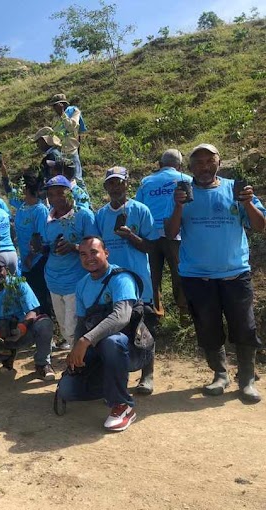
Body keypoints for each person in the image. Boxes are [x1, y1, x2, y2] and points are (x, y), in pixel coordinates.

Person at [166, 143, 265, 403]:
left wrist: (248, 203)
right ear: (189, 168)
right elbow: (170, 232)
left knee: (244, 327)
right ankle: (220, 374)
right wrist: (178, 206)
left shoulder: (235, 189)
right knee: (207, 327)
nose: (204, 167)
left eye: (210, 161)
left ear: (219, 163)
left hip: (235, 273)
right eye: (198, 163)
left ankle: (247, 379)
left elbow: (260, 225)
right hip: (197, 276)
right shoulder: (182, 194)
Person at [56, 237, 153, 432]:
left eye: (94, 252)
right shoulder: (82, 284)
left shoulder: (122, 278)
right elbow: (82, 324)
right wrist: (76, 352)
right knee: (68, 390)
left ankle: (122, 406)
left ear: (106, 253)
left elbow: (121, 317)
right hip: (100, 350)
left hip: (133, 350)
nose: (89, 258)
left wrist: (85, 341)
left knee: (112, 341)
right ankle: (110, 385)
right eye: (83, 254)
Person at [95, 166, 157, 393]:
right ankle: (117, 375)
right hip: (112, 283)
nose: (115, 187)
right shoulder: (100, 215)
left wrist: (130, 236)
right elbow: (97, 248)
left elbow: (152, 246)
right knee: (115, 331)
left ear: (127, 184)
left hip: (139, 281)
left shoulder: (141, 210)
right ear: (105, 187)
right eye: (111, 183)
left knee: (144, 329)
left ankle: (147, 375)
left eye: (119, 182)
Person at [38, 175, 98, 350]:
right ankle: (78, 359)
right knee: (64, 329)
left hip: (76, 282)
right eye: (51, 194)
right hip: (54, 281)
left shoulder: (83, 215)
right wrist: (41, 247)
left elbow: (95, 247)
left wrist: (74, 247)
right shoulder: (47, 218)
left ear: (70, 193)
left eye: (59, 193)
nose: (55, 198)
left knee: (73, 329)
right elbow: (48, 246)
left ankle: (80, 364)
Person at [0, 255, 54, 377]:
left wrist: (22, 328)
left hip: (22, 330)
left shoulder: (19, 284)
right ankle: (7, 355)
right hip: (0, 330)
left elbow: (33, 310)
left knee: (44, 323)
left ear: (6, 270)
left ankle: (43, 364)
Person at [135, 149, 191, 317]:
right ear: (179, 166)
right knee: (180, 272)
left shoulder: (146, 182)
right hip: (176, 234)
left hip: (150, 235)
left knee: (153, 275)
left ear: (159, 165)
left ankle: (156, 312)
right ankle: (184, 312)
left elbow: (138, 207)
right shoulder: (187, 180)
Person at [0, 170, 53, 317]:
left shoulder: (40, 210)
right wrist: (4, 171)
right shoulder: (22, 205)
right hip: (25, 262)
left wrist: (31, 256)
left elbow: (41, 237)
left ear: (27, 189)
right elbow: (9, 192)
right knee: (31, 300)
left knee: (40, 298)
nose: (17, 190)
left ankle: (48, 330)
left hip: (37, 261)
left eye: (20, 187)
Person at [49, 93, 86, 183]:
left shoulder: (74, 111)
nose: (55, 108)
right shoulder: (55, 118)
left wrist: (63, 114)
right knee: (63, 179)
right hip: (60, 152)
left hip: (71, 151)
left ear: (64, 104)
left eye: (57, 105)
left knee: (77, 178)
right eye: (54, 106)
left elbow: (71, 128)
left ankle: (83, 197)